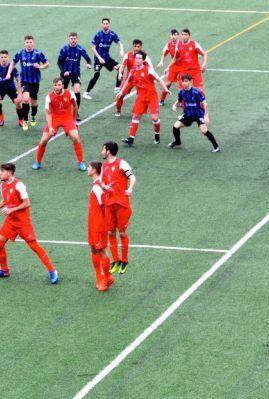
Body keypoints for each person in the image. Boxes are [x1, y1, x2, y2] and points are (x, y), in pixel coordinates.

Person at [0, 163, 59, 284]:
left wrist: (11, 210)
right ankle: (4, 271)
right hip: (11, 221)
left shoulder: (19, 186)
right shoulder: (3, 185)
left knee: (34, 247)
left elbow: (27, 203)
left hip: (23, 222)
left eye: (2, 171)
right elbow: (6, 199)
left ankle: (52, 271)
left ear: (9, 173)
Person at [117, 51, 171, 146]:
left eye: (139, 58)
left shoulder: (149, 70)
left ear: (143, 60)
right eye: (136, 58)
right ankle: (131, 138)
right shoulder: (132, 71)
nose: (137, 60)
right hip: (141, 97)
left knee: (154, 118)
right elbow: (128, 81)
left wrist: (165, 89)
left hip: (151, 97)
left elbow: (158, 79)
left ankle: (157, 134)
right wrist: (121, 92)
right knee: (135, 116)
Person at [33, 77, 86, 171]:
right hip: (54, 119)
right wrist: (50, 127)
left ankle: (81, 162)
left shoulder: (70, 94)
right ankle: (37, 162)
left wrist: (74, 120)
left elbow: (75, 106)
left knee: (75, 137)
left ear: (63, 85)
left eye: (59, 85)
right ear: (53, 85)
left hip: (67, 118)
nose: (57, 87)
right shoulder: (49, 97)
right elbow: (48, 113)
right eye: (55, 85)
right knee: (43, 140)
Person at [100, 142, 135, 274]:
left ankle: (124, 261)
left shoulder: (121, 163)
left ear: (108, 151)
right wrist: (104, 187)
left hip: (121, 204)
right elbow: (102, 181)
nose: (102, 152)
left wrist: (130, 188)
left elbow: (132, 177)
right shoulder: (104, 166)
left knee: (122, 233)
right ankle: (116, 260)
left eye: (103, 149)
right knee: (110, 232)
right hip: (109, 204)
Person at [7, 35, 49, 130]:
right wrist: (9, 73)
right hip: (25, 81)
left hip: (35, 81)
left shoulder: (38, 53)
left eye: (30, 42)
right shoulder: (20, 53)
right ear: (24, 43)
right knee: (25, 100)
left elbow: (47, 64)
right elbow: (13, 63)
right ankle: (25, 120)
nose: (29, 44)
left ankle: (33, 116)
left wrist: (40, 67)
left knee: (33, 103)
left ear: (33, 43)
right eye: (27, 42)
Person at [170, 74, 220, 152]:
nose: (183, 83)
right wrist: (175, 104)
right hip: (188, 114)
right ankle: (177, 142)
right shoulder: (181, 92)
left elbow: (205, 103)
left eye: (186, 81)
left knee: (204, 130)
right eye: (182, 81)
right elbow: (179, 100)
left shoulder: (197, 92)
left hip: (198, 114)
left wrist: (206, 115)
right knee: (175, 126)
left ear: (190, 81)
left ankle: (216, 146)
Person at [87, 161, 115, 291]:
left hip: (99, 224)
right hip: (93, 223)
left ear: (94, 170)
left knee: (101, 251)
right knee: (93, 249)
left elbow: (104, 206)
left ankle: (107, 278)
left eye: (89, 167)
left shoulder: (97, 187)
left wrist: (107, 223)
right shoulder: (97, 184)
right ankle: (99, 277)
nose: (87, 169)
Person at [83, 18, 125, 100]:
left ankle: (117, 88)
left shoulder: (112, 34)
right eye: (104, 23)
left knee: (121, 68)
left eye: (107, 23)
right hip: (98, 59)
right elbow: (93, 48)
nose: (105, 25)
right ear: (101, 25)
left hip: (107, 58)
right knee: (96, 75)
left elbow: (120, 43)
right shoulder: (98, 35)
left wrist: (121, 50)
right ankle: (86, 92)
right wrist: (99, 58)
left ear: (109, 24)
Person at [57, 32, 92, 120]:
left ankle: (75, 113)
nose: (73, 40)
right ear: (69, 39)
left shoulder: (80, 49)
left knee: (77, 89)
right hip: (65, 73)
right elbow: (59, 62)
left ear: (77, 39)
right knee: (62, 92)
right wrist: (64, 71)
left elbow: (88, 59)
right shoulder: (64, 49)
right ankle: (62, 110)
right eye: (71, 38)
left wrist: (88, 64)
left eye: (74, 38)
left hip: (75, 73)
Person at [114, 39, 149, 117]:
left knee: (144, 96)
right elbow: (122, 66)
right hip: (130, 79)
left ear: (141, 47)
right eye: (135, 46)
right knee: (120, 95)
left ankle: (139, 110)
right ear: (133, 46)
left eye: (138, 47)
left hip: (140, 80)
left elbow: (150, 68)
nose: (136, 48)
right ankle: (118, 110)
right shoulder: (128, 55)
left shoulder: (144, 57)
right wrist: (120, 73)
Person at [0, 50, 24, 127]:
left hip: (11, 88)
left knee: (18, 102)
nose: (3, 59)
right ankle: (1, 115)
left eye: (5, 57)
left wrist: (20, 93)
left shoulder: (12, 68)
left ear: (8, 58)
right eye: (2, 57)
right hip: (0, 88)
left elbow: (18, 80)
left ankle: (20, 120)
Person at [157, 29, 180, 106]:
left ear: (178, 36)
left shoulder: (181, 44)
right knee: (168, 84)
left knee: (181, 85)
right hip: (174, 66)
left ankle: (182, 102)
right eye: (173, 35)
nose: (174, 37)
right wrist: (161, 61)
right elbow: (164, 54)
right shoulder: (168, 45)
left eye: (175, 35)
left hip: (183, 67)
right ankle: (162, 100)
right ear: (170, 36)